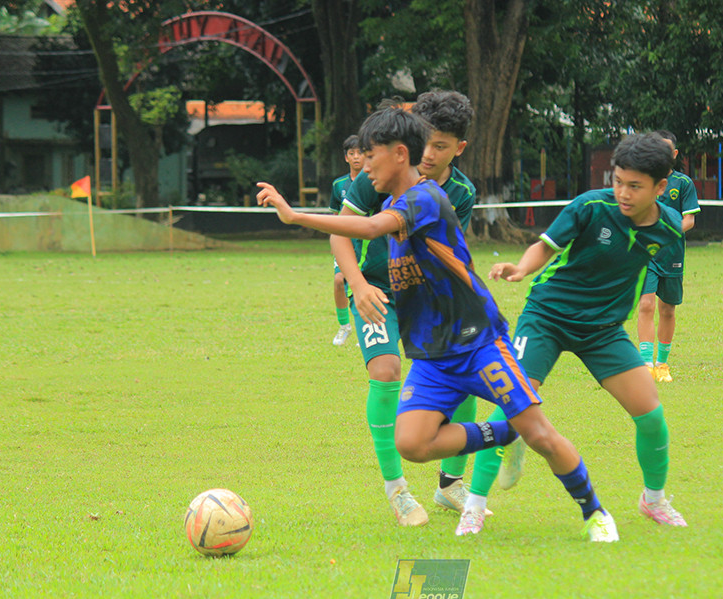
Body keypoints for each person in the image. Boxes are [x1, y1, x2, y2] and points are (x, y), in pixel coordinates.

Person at [257, 106, 619, 542]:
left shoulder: (424, 199)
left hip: (478, 342)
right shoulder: (394, 199)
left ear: (398, 154)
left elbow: (370, 227)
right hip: (433, 355)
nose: (364, 165)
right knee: (412, 443)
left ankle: (594, 512)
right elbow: (364, 225)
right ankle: (505, 431)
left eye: (370, 156)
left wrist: (294, 216)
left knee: (541, 434)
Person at [465, 132, 689, 536]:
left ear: (661, 186)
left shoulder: (670, 230)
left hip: (602, 331)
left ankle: (653, 501)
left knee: (651, 413)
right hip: (547, 317)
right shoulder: (590, 206)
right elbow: (546, 246)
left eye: (635, 186)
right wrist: (520, 268)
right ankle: (474, 507)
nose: (622, 192)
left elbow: (651, 276)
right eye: (617, 181)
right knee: (508, 406)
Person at [329, 92, 480, 527]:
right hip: (376, 289)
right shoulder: (377, 174)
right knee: (385, 371)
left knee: (464, 377)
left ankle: (450, 485)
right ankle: (397, 492)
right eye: (424, 143)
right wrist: (356, 284)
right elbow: (341, 232)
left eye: (441, 146)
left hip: (427, 297)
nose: (428, 155)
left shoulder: (461, 192)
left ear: (459, 148)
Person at [637, 129, 700, 381]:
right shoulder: (643, 181)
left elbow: (690, 220)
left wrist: (668, 232)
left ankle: (662, 365)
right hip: (646, 253)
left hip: (672, 253)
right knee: (645, 304)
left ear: (673, 154)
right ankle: (645, 366)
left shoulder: (683, 184)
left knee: (668, 310)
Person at [329, 135, 365, 346]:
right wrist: (335, 242)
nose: (356, 157)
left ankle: (366, 328)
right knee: (339, 281)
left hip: (367, 243)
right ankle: (344, 327)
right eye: (352, 153)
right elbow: (335, 217)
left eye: (360, 152)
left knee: (365, 283)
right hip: (346, 242)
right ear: (346, 158)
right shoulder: (339, 185)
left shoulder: (374, 180)